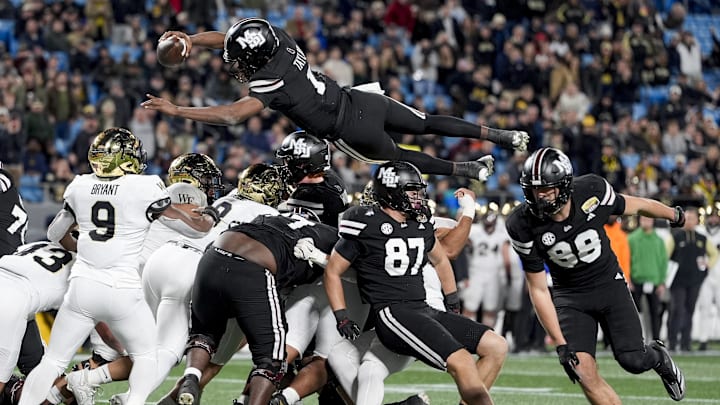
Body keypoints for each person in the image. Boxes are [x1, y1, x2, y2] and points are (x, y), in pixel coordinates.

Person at [141, 18, 530, 180]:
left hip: (348, 129)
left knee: (401, 156)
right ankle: (502, 136)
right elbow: (229, 38)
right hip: (360, 99)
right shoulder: (279, 39)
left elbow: (230, 115)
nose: (233, 63)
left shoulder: (269, 84)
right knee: (426, 121)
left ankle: (467, 170)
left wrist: (177, 110)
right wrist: (192, 40)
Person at [18, 128, 217, 405]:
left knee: (52, 360)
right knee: (149, 358)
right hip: (122, 290)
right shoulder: (144, 187)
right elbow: (193, 230)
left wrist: (89, 244)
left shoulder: (79, 185)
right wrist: (208, 218)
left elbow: (54, 234)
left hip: (82, 287)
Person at [505, 147, 686, 403]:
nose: (540, 196)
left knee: (632, 360)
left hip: (609, 286)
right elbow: (537, 288)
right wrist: (559, 342)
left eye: (546, 189)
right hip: (571, 297)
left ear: (565, 185)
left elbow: (636, 205)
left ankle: (657, 356)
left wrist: (673, 214)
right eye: (534, 190)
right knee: (582, 369)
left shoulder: (591, 190)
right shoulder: (521, 223)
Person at [324, 161, 505, 405]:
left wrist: (452, 301)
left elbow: (441, 260)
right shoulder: (365, 222)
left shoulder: (419, 223)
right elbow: (333, 271)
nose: (418, 196)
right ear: (391, 191)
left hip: (424, 309)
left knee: (496, 346)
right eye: (412, 191)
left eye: (418, 190)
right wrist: (341, 316)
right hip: (393, 312)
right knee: (460, 361)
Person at [176, 211, 340, 405]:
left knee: (204, 333)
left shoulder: (273, 216)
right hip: (254, 266)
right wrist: (320, 256)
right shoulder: (332, 237)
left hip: (213, 256)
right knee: (271, 359)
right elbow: (347, 267)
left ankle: (191, 377)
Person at [0, 237, 76, 399]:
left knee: (44, 373)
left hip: (18, 305)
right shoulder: (84, 270)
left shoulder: (38, 245)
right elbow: (106, 334)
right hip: (12, 303)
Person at [665, 207, 718, 352]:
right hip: (677, 281)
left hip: (695, 281)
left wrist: (708, 265)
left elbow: (714, 254)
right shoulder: (675, 236)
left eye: (692, 218)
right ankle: (672, 341)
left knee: (690, 310)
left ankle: (686, 343)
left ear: (696, 221)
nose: (689, 221)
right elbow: (665, 256)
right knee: (677, 310)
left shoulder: (702, 238)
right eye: (687, 218)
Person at [276, 130, 348, 227]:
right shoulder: (332, 179)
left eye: (287, 161)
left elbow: (287, 226)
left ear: (301, 165)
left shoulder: (306, 196)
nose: (285, 166)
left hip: (321, 241)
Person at [628, 216, 668, 342]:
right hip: (636, 280)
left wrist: (662, 282)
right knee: (634, 313)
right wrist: (628, 279)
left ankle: (656, 340)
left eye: (648, 219)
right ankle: (636, 338)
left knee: (655, 312)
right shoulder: (632, 239)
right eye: (643, 219)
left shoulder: (659, 240)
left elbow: (663, 262)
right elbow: (627, 259)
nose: (646, 222)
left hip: (654, 281)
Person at [697, 202, 720, 351]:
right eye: (710, 216)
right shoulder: (700, 231)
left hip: (719, 274)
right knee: (704, 307)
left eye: (715, 216)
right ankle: (703, 339)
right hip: (704, 274)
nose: (712, 219)